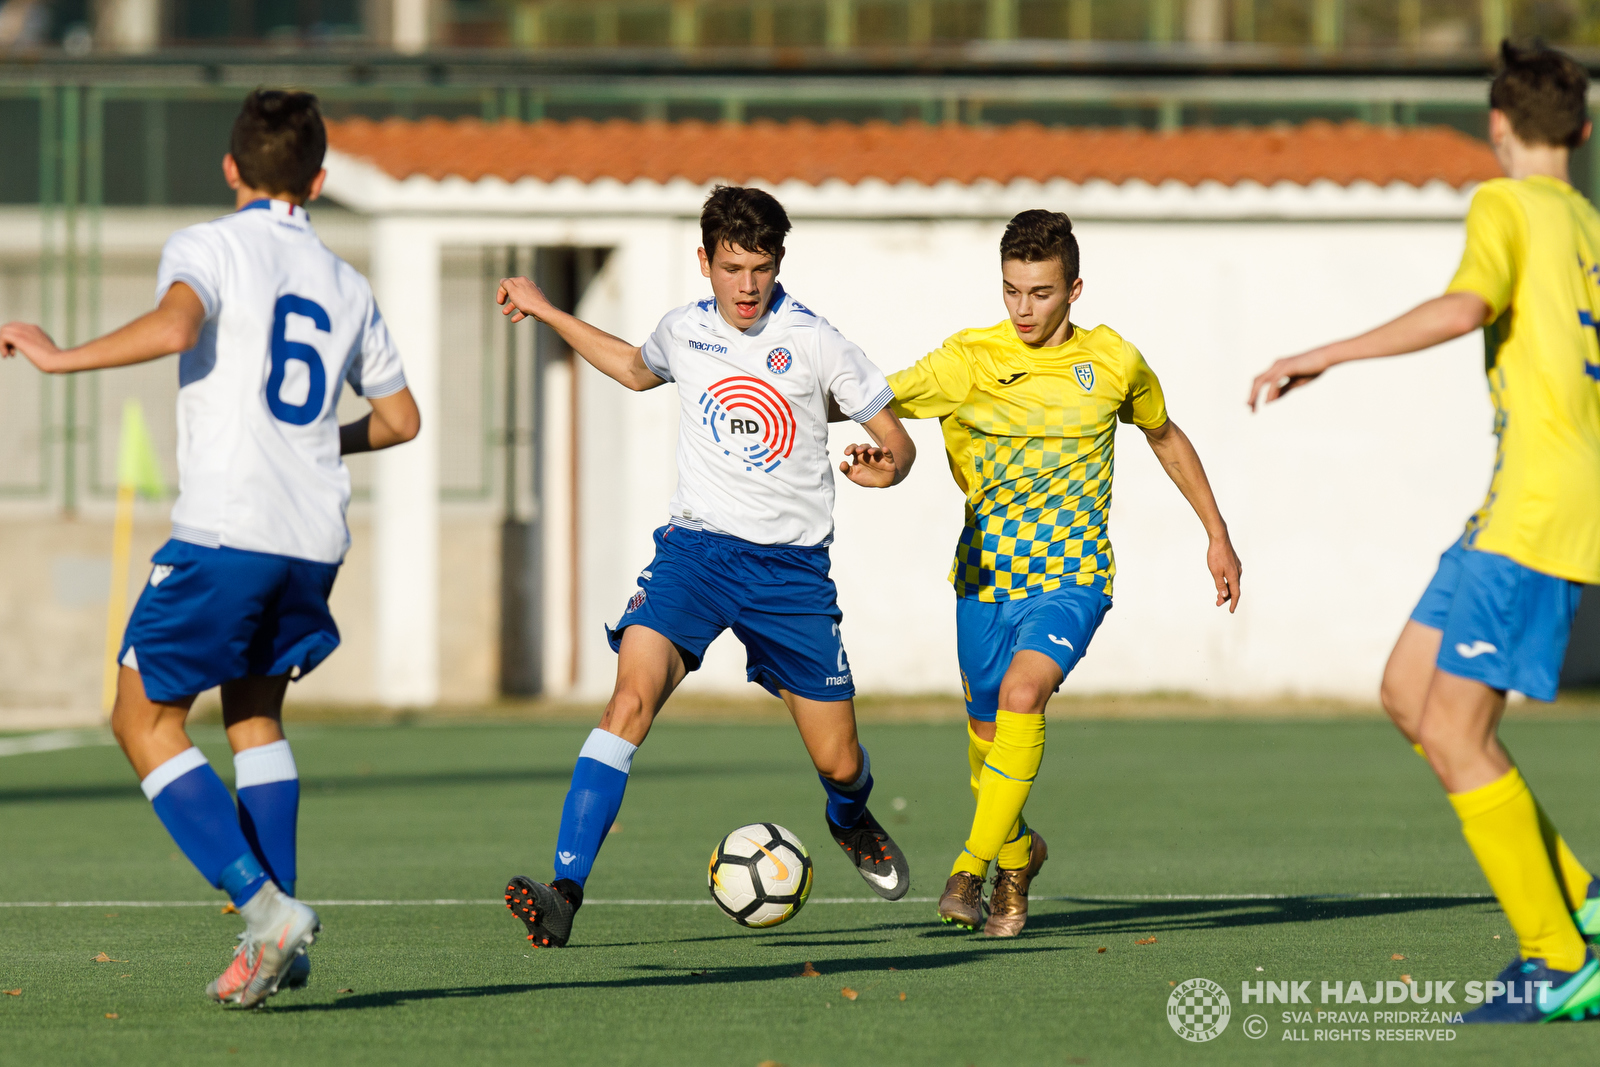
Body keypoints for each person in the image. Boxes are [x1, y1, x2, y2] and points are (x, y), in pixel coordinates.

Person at [0, 90, 420, 1007]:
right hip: (312, 539)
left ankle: (263, 909)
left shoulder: (209, 245)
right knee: (254, 720)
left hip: (229, 529)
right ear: (317, 179)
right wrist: (313, 442)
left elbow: (177, 326)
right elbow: (399, 419)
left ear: (230, 168)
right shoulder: (349, 282)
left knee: (140, 720)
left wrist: (59, 354)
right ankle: (288, 936)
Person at [1247, 41, 1600, 1024]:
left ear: (1496, 127)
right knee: (1410, 691)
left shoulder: (1506, 205)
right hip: (1517, 501)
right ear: (1579, 129)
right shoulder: (1585, 220)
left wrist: (1326, 351)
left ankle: (1558, 955)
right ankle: (1578, 899)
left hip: (1536, 509)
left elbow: (1465, 304)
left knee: (1455, 729)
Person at [495, 185, 917, 948]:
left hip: (791, 576)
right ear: (705, 262)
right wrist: (544, 307)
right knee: (629, 700)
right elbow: (631, 366)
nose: (747, 285)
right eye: (731, 267)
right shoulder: (683, 332)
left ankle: (850, 817)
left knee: (841, 758)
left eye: (760, 267)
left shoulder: (818, 342)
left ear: (779, 263)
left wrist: (888, 466)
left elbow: (897, 437)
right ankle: (564, 890)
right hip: (695, 555)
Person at [887, 209, 1242, 936]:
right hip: (983, 578)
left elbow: (1165, 437)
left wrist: (1217, 531)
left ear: (1074, 288)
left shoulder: (1114, 362)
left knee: (1024, 694)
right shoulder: (967, 358)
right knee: (988, 739)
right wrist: (868, 451)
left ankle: (970, 866)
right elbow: (872, 398)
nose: (1022, 308)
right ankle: (1019, 856)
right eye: (1012, 291)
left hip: (1073, 575)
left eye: (1040, 292)